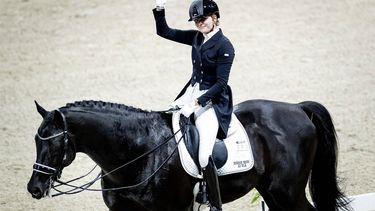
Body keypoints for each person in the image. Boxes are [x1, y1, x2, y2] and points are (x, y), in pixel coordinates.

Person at [153, 0, 235, 210]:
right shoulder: (196, 38)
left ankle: (215, 204)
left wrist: (198, 103)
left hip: (212, 100)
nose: (200, 23)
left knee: (204, 155)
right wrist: (160, 9)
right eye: (197, 20)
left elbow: (221, 83)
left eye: (203, 19)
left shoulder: (224, 45)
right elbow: (164, 32)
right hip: (191, 92)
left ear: (215, 17)